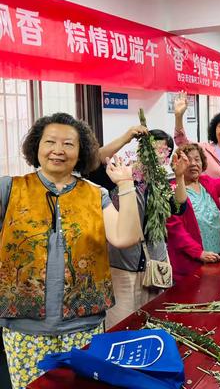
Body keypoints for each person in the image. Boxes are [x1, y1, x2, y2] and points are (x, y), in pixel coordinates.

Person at [0, 113, 142, 389]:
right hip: (24, 326)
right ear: (36, 147)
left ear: (81, 152)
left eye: (68, 144)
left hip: (83, 324)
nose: (58, 150)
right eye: (50, 142)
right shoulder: (10, 189)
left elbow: (126, 237)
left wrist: (125, 184)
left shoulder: (95, 194)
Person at [104, 129, 189, 330]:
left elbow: (179, 207)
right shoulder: (120, 175)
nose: (158, 154)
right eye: (153, 149)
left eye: (163, 151)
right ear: (141, 150)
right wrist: (126, 136)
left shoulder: (161, 180)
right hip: (123, 265)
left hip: (156, 261)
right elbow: (97, 158)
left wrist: (179, 177)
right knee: (122, 326)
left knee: (154, 320)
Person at [166, 143, 220, 280]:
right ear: (177, 164)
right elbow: (176, 230)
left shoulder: (206, 182)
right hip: (192, 263)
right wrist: (199, 253)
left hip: (218, 255)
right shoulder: (173, 191)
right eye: (187, 160)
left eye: (197, 159)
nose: (193, 164)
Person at [174, 91, 220, 179]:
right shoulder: (204, 149)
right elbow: (182, 142)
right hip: (208, 193)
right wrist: (178, 117)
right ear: (214, 129)